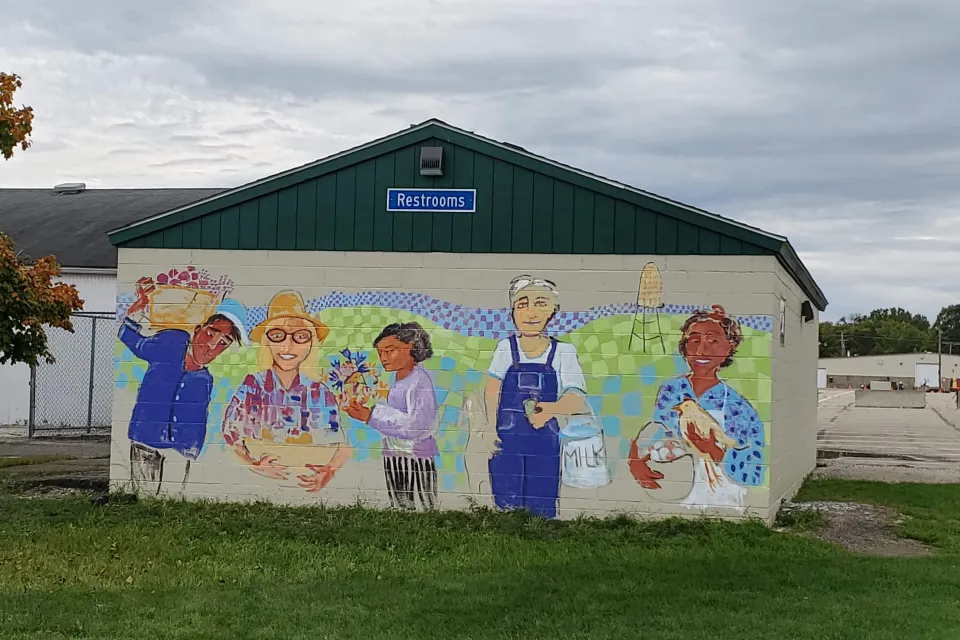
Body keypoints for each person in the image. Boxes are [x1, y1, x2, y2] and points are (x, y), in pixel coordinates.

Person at [629, 305, 764, 509]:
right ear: (684, 346)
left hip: (720, 499)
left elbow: (754, 472)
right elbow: (656, 429)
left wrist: (715, 452)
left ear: (730, 347)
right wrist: (636, 460)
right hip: (674, 494)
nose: (701, 350)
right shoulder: (671, 390)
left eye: (713, 341)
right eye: (694, 341)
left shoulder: (738, 407)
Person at [120, 291, 246, 495]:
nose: (212, 345)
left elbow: (198, 417)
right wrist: (138, 308)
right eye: (211, 333)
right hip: (146, 438)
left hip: (180, 449)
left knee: (172, 499)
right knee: (144, 495)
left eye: (223, 343)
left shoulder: (205, 380)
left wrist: (191, 449)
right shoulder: (172, 342)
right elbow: (133, 340)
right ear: (198, 330)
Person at [221, 290, 349, 492]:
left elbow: (342, 446)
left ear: (310, 343)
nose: (288, 346)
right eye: (278, 335)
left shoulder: (319, 392)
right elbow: (231, 436)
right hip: (257, 489)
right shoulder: (253, 386)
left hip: (303, 484)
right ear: (267, 341)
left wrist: (329, 470)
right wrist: (254, 465)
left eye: (300, 336)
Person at [485, 275, 587, 518]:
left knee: (542, 496)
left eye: (540, 303)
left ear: (553, 310)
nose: (531, 312)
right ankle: (508, 533)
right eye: (522, 304)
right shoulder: (504, 348)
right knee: (506, 496)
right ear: (512, 311)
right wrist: (489, 430)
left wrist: (550, 410)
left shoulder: (563, 352)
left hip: (545, 438)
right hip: (506, 438)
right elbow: (492, 391)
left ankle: (541, 532)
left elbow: (577, 398)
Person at [344, 322, 440, 510]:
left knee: (420, 500)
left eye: (390, 351)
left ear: (411, 347)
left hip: (416, 456)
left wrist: (371, 415)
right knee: (400, 499)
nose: (383, 358)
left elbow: (415, 425)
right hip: (396, 452)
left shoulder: (420, 381)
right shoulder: (401, 378)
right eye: (380, 353)